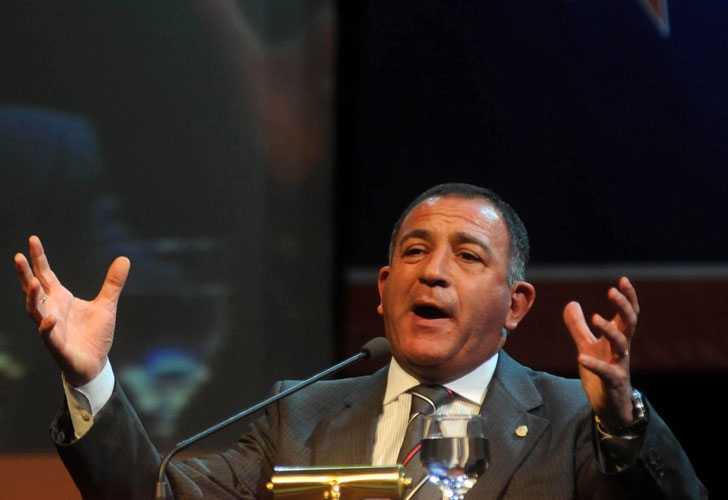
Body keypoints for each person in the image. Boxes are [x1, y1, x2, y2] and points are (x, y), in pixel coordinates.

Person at [14, 182, 707, 499]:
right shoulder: (301, 414)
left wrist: (622, 426)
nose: (432, 271)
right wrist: (91, 379)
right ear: (383, 288)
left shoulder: (576, 423)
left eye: (468, 256)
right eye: (414, 251)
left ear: (516, 304)